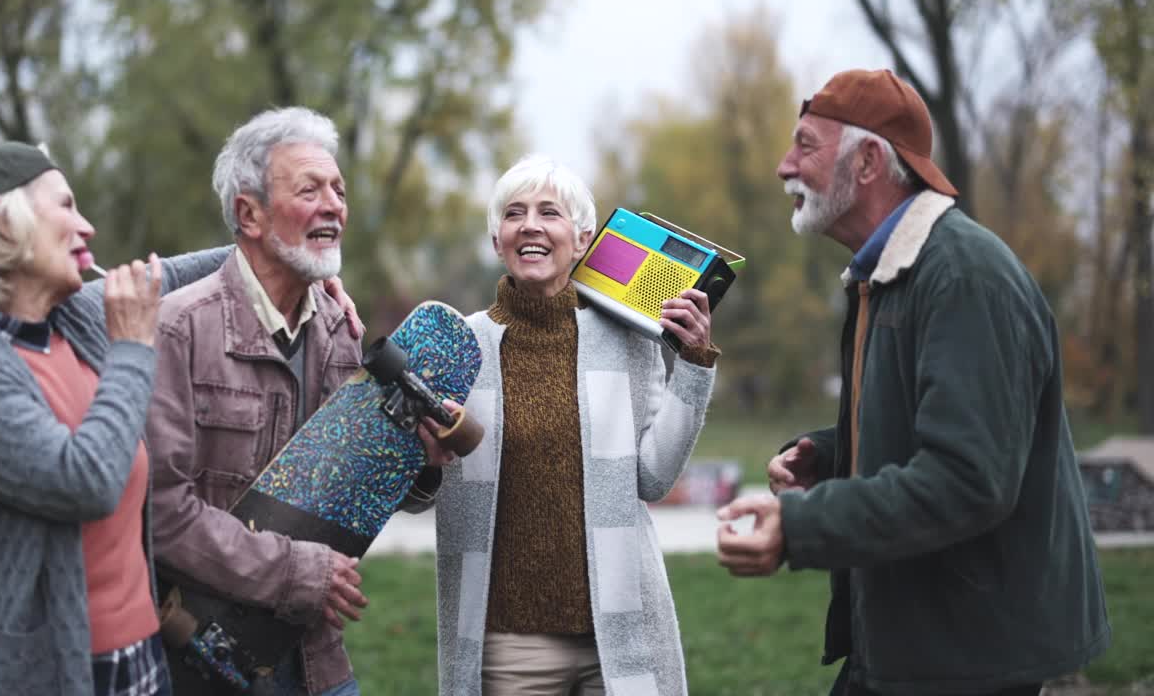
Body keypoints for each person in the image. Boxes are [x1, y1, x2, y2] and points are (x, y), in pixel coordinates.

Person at [715, 69, 1111, 695]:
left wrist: (800, 525)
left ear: (869, 161)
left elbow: (968, 480)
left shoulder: (964, 278)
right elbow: (922, 421)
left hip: (972, 657)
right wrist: (831, 452)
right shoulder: (887, 273)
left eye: (805, 145)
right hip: (908, 646)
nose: (784, 165)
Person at [0, 142, 229, 695]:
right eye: (67, 206)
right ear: (8, 222)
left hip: (140, 663)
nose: (88, 225)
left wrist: (285, 260)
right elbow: (85, 483)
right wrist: (132, 347)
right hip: (32, 676)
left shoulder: (72, 318)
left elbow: (174, 274)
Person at [145, 106, 450, 696]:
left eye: (338, 189)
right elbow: (160, 513)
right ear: (248, 214)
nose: (334, 204)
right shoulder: (177, 329)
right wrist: (293, 572)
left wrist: (420, 466)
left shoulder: (343, 331)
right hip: (200, 661)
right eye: (309, 189)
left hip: (316, 664)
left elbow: (347, 488)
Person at [426, 154, 719, 695]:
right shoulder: (458, 347)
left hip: (620, 634)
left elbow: (653, 478)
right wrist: (423, 457)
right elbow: (422, 490)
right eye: (514, 213)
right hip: (507, 644)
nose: (531, 224)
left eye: (549, 212)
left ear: (583, 240)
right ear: (497, 241)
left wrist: (695, 365)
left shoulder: (630, 340)